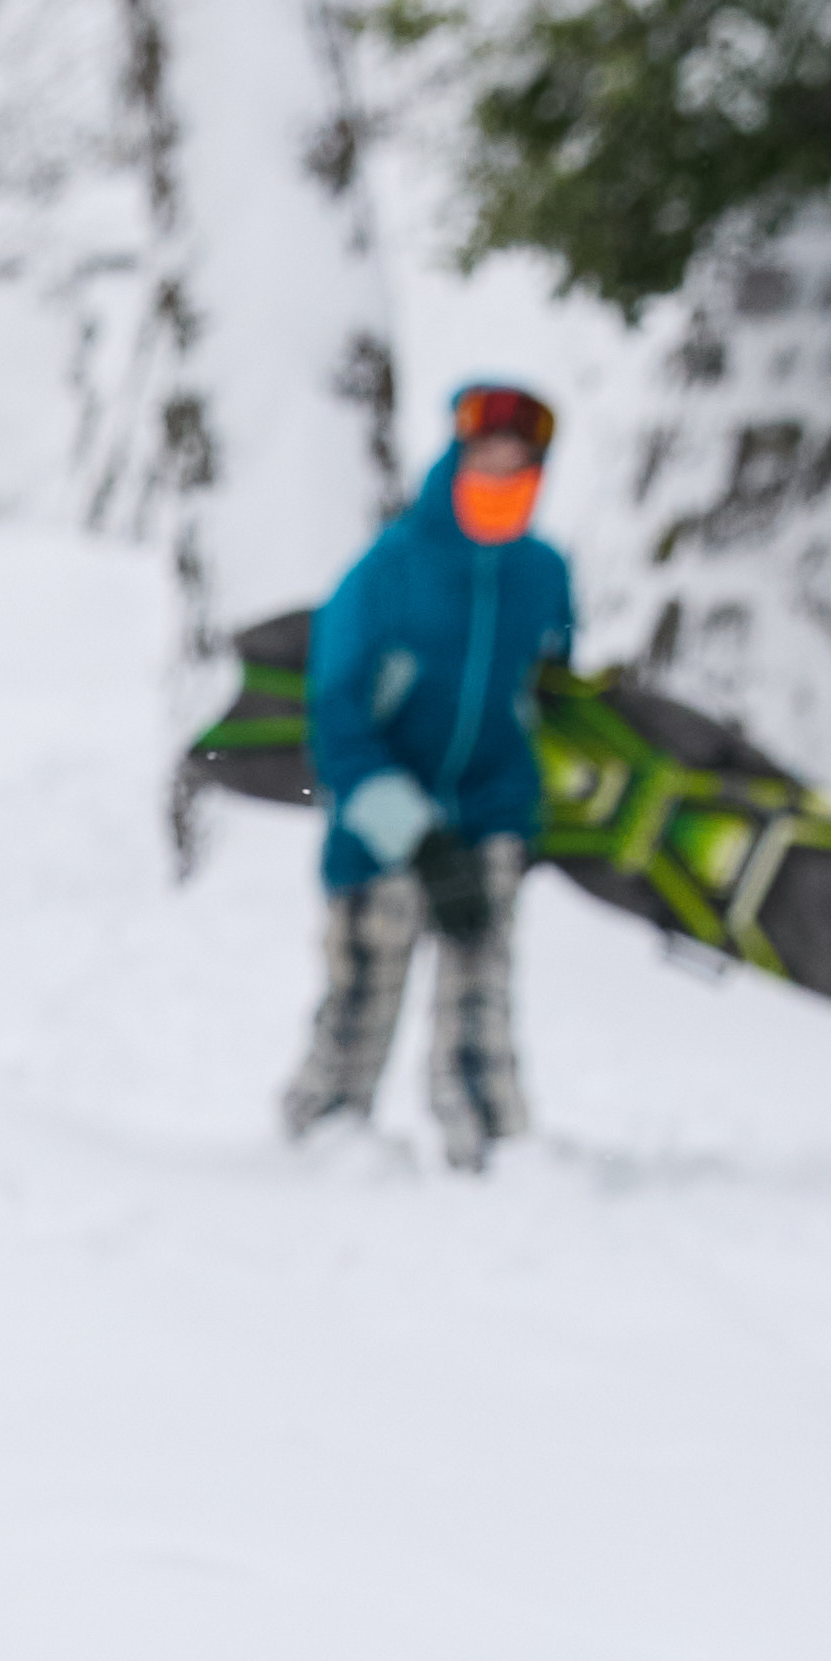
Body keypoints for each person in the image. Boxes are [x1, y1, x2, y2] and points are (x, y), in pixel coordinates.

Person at [288, 380, 573, 1164]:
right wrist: (412, 836)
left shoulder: (543, 573)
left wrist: (529, 823)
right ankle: (323, 1141)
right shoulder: (389, 569)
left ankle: (495, 1151)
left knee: (482, 999)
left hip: (492, 815)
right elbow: (337, 719)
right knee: (360, 995)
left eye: (519, 459)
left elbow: (545, 697)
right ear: (458, 455)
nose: (501, 471)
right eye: (487, 454)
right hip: (381, 825)